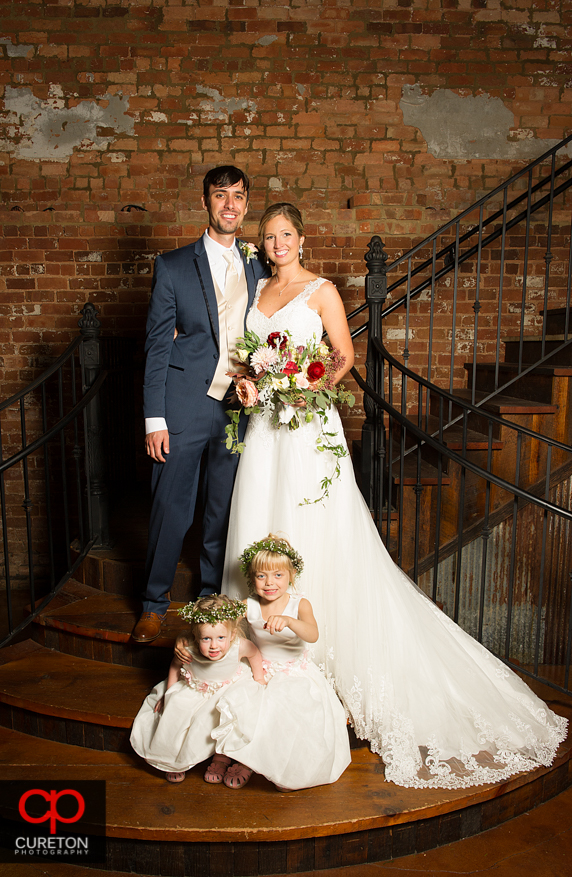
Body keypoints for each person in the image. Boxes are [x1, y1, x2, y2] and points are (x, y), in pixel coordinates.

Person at [220, 202, 568, 789]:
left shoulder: (322, 290)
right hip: (264, 432)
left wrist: (302, 386)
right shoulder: (255, 296)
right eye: (269, 237)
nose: (278, 244)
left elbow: (343, 358)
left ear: (301, 238)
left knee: (316, 532)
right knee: (258, 525)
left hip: (306, 429)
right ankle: (258, 660)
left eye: (286, 235)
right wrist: (252, 380)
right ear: (263, 244)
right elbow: (240, 360)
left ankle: (322, 659)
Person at [132, 165, 270, 643]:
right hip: (184, 406)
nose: (229, 205)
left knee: (221, 511)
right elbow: (157, 346)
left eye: (237, 196)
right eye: (219, 196)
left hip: (237, 408)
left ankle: (213, 603)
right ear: (206, 202)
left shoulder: (259, 266)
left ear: (247, 204)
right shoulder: (172, 266)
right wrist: (155, 418)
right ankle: (153, 604)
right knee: (171, 508)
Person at [177, 535, 351, 790]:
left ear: (291, 576)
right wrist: (182, 637)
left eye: (278, 576)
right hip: (258, 668)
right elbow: (213, 620)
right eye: (261, 576)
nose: (270, 583)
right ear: (252, 578)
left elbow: (313, 635)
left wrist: (290, 621)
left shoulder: (299, 605)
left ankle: (249, 761)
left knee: (279, 709)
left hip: (293, 673)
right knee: (235, 701)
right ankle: (226, 753)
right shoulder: (249, 605)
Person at [130, 595, 266, 787]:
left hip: (227, 689)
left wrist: (258, 679)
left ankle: (221, 759)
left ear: (232, 635)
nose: (214, 645)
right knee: (176, 716)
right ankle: (176, 761)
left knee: (228, 714)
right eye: (206, 639)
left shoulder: (239, 646)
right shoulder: (188, 649)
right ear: (196, 636)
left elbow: (254, 654)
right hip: (196, 690)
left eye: (221, 638)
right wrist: (168, 694)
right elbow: (175, 667)